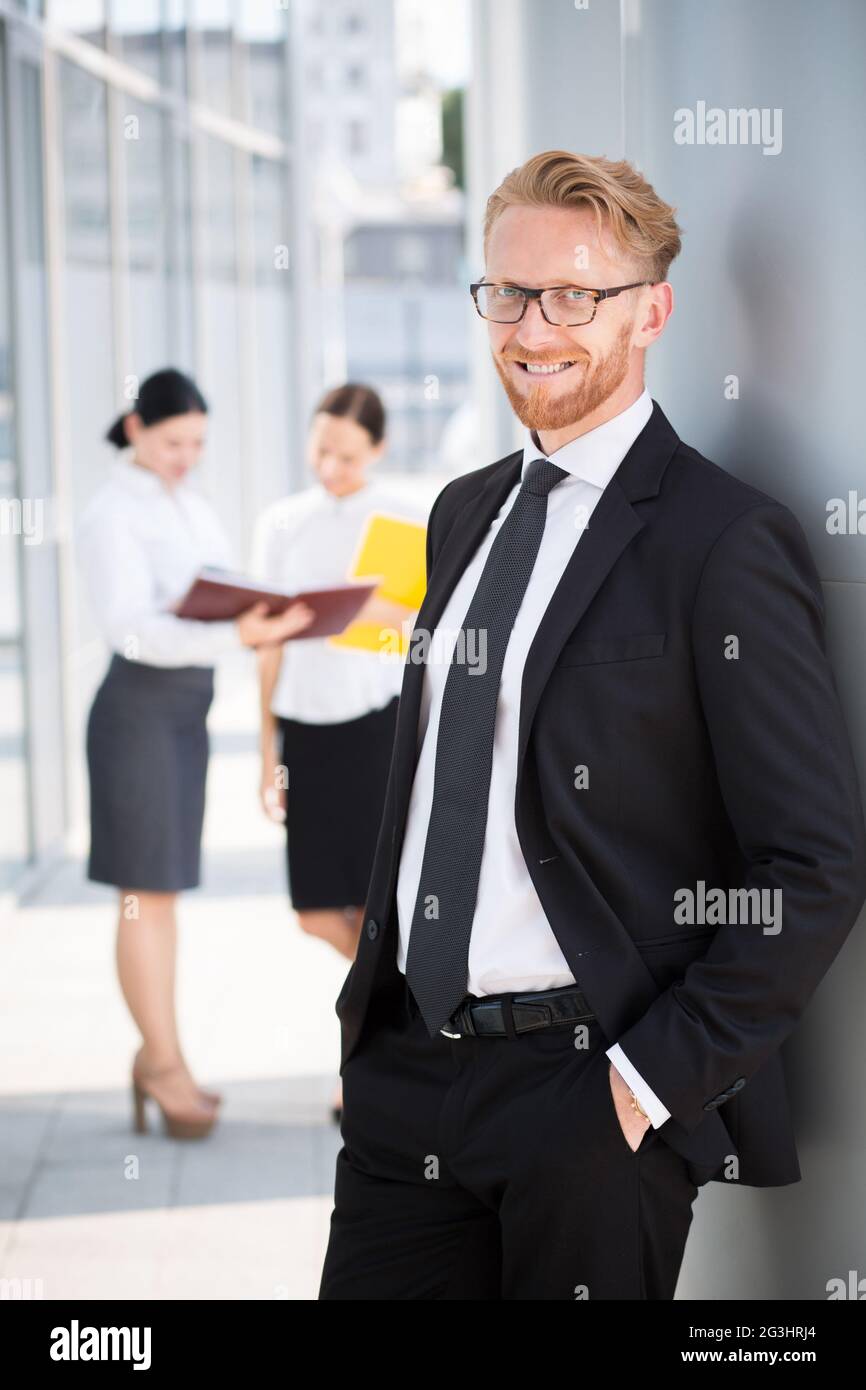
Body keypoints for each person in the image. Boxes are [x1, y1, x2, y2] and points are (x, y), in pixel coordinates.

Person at [318, 151, 866, 1299]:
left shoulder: (723, 541)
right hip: (407, 1082)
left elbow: (811, 864)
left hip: (583, 1100)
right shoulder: (463, 512)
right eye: (507, 293)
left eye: (575, 295)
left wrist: (637, 1086)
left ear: (650, 311)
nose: (533, 325)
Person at [77, 368, 313, 1141]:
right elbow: (130, 629)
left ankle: (161, 1055)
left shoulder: (189, 503)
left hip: (185, 711)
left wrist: (263, 611)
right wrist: (232, 634)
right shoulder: (112, 512)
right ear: (136, 428)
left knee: (166, 891)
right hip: (140, 709)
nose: (186, 456)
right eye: (174, 441)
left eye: (198, 444)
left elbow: (215, 589)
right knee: (145, 894)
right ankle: (163, 1066)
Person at [251, 383, 429, 1120]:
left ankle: (363, 1058)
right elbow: (263, 642)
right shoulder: (282, 523)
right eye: (321, 450)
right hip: (307, 733)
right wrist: (267, 753)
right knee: (318, 912)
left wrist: (348, 612)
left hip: (374, 730)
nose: (331, 467)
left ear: (378, 451)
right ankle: (401, 1011)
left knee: (377, 901)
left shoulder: (403, 517)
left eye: (348, 456)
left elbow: (419, 622)